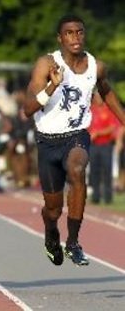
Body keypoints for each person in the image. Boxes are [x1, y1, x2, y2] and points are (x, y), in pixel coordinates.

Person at [23, 14, 125, 267]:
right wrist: (52, 87)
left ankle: (73, 242)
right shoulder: (46, 64)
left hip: (77, 135)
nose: (75, 37)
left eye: (79, 32)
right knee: (53, 209)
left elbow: (106, 90)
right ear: (60, 38)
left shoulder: (96, 66)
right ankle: (51, 234)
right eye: (69, 33)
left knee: (78, 170)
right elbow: (27, 108)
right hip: (47, 141)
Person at [88, 92, 121, 205]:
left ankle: (108, 197)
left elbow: (112, 128)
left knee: (107, 171)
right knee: (94, 171)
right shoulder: (91, 110)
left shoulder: (108, 110)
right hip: (93, 146)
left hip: (106, 145)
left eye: (99, 97)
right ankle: (96, 196)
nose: (97, 99)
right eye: (96, 97)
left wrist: (98, 133)